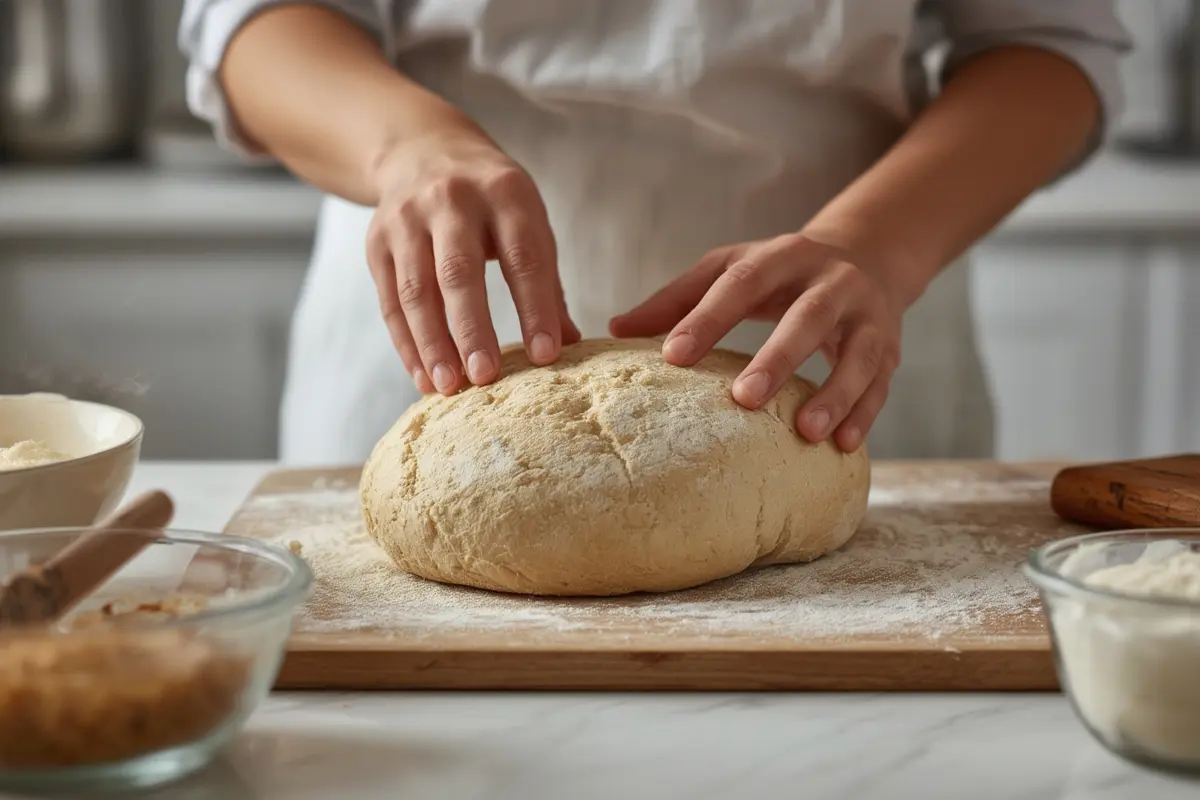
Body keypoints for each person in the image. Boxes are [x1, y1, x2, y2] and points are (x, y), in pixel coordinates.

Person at [180, 1, 1130, 465]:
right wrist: (408, 148)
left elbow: (1048, 43)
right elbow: (252, 21)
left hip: (828, 346)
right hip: (442, 346)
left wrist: (879, 243)